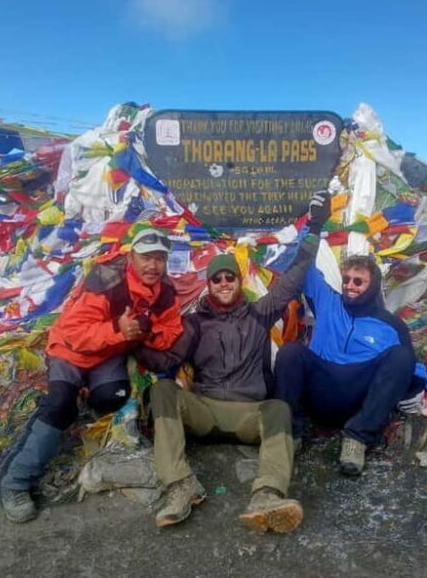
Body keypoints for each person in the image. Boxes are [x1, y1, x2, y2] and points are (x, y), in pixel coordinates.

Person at [136, 191, 330, 533]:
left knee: (278, 410)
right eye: (217, 279)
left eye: (230, 277)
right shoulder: (194, 324)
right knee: (163, 389)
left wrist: (315, 226)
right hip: (205, 411)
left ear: (239, 282)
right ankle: (180, 486)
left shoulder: (260, 313)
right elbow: (166, 360)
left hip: (247, 415)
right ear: (209, 285)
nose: (224, 283)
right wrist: (133, 337)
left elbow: (295, 276)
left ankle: (267, 496)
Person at [0, 228, 184, 522]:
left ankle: (78, 400)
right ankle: (16, 482)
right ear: (131, 256)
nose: (153, 266)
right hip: (71, 351)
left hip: (108, 354)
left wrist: (146, 330)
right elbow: (73, 333)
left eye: (160, 259)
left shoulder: (165, 293)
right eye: (146, 258)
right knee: (60, 405)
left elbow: (170, 331)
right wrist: (117, 330)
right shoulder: (105, 281)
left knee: (113, 397)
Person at [273, 254, 427, 476]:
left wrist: (420, 384)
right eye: (346, 279)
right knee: (290, 352)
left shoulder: (391, 325)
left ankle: (357, 439)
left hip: (358, 401)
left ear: (373, 285)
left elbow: (413, 365)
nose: (350, 286)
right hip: (320, 390)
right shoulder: (328, 301)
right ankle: (291, 435)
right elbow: (303, 260)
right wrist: (314, 226)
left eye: (358, 281)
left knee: (401, 357)